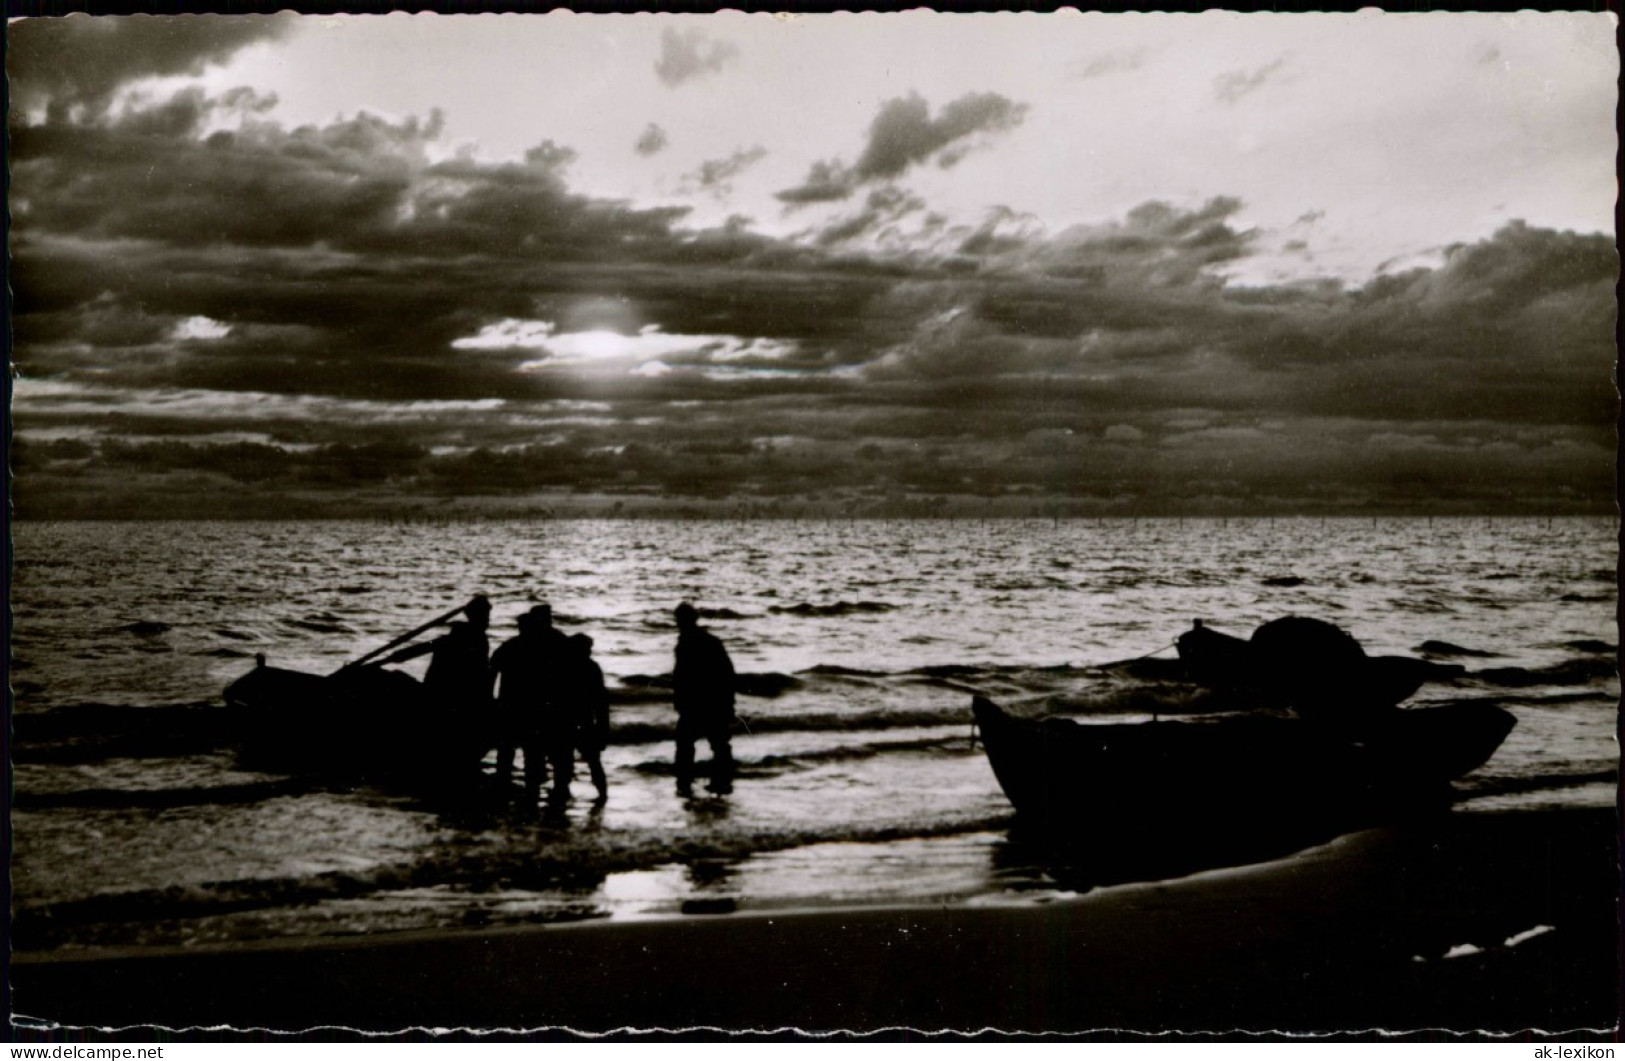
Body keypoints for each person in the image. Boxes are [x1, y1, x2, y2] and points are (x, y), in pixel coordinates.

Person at [380, 595, 493, 773]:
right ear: (477, 617)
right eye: (485, 616)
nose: (488, 621)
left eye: (488, 616)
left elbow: (426, 646)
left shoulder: (462, 637)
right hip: (446, 698)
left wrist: (400, 655)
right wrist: (398, 655)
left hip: (449, 697)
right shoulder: (466, 638)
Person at [488, 603, 567, 800]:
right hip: (534, 706)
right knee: (531, 752)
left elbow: (491, 670)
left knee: (515, 751)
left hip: (520, 705)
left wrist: (490, 698)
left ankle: (509, 787)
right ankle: (536, 789)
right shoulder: (554, 642)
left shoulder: (513, 645)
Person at [671, 602, 736, 795]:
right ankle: (721, 781)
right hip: (710, 701)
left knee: (687, 742)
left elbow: (683, 675)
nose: (678, 623)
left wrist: (680, 698)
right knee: (717, 743)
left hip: (700, 701)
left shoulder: (688, 642)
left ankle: (686, 782)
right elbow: (727, 673)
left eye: (680, 619)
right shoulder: (708, 641)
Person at [555, 633, 610, 802]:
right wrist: (603, 725)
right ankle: (602, 795)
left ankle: (562, 793)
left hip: (568, 721)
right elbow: (601, 700)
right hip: (583, 721)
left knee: (564, 761)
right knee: (591, 761)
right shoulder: (591, 667)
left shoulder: (563, 667)